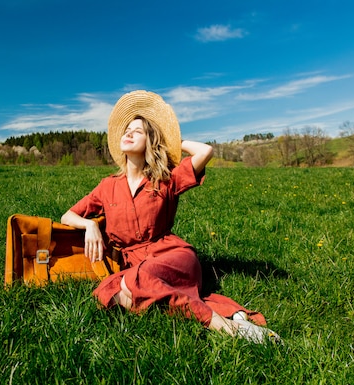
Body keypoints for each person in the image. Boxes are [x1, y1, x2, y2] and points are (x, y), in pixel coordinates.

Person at [61, 90, 280, 344]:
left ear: (151, 142)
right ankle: (227, 317)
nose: (128, 133)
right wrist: (89, 224)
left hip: (172, 256)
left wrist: (169, 141)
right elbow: (68, 215)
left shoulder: (166, 178)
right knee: (109, 293)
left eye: (138, 131)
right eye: (127, 130)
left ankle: (225, 328)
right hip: (134, 263)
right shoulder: (107, 186)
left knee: (132, 286)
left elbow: (205, 151)